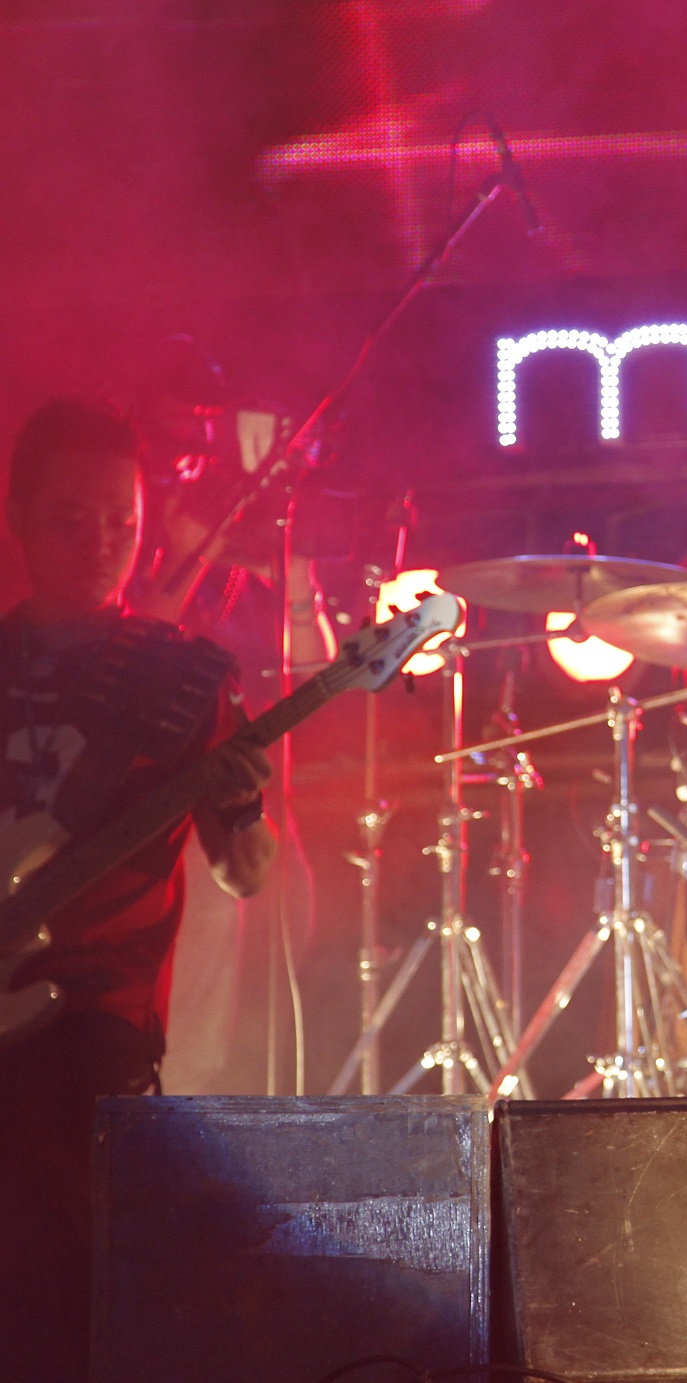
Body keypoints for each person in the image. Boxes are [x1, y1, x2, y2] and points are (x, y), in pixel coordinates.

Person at [0, 398, 277, 1382]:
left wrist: (240, 808)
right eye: (72, 519)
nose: (103, 542)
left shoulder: (180, 679)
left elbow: (243, 872)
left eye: (122, 519)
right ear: (18, 518)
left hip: (94, 1017)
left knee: (52, 1257)